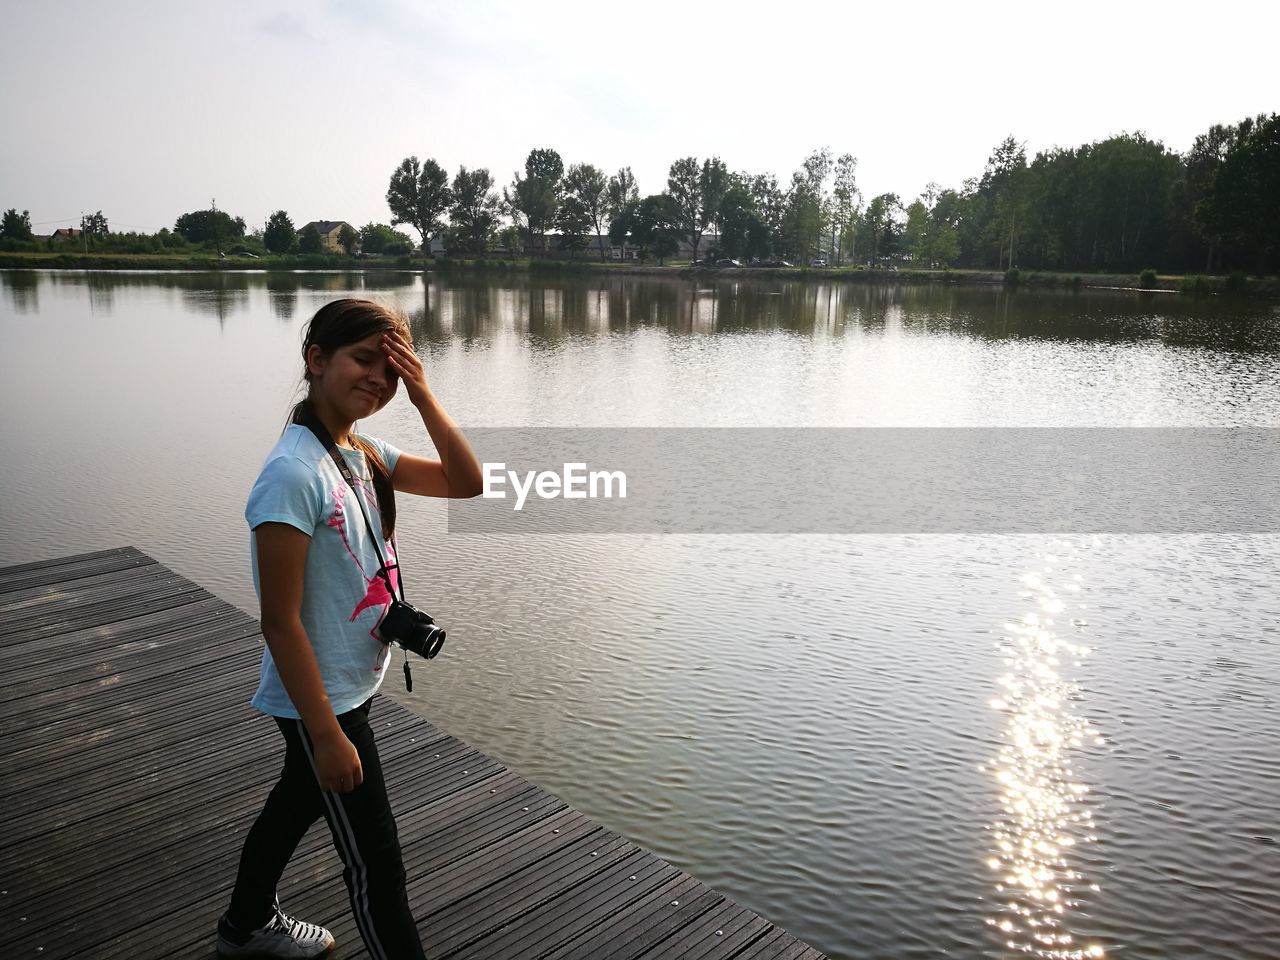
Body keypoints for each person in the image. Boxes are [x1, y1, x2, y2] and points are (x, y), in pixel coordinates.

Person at [216, 299, 483, 958]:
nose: (378, 380)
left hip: (345, 685)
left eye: (390, 371)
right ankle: (249, 928)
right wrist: (328, 735)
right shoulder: (291, 476)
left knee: (294, 803)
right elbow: (278, 623)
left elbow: (466, 482)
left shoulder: (360, 453)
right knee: (378, 870)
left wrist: (422, 395)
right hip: (324, 702)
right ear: (316, 360)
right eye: (365, 360)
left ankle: (245, 927)